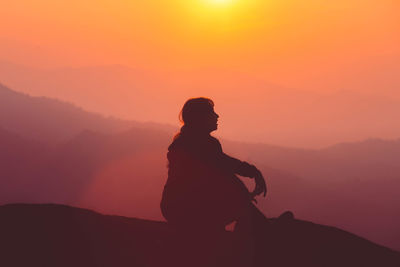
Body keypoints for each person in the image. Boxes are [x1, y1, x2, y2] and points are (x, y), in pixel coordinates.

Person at [160, 97, 268, 234]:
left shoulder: (186, 142)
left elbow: (223, 165)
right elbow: (225, 167)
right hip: (187, 211)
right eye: (212, 113)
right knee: (244, 210)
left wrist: (250, 179)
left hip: (174, 209)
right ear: (200, 118)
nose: (217, 116)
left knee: (242, 206)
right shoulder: (201, 145)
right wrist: (251, 181)